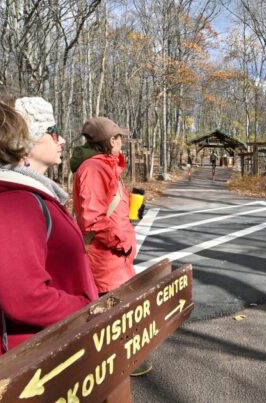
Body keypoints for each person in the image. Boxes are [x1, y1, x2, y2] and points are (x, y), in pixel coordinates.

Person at [0, 97, 99, 368]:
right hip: (27, 360)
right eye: (52, 131)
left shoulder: (24, 196)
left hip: (51, 346)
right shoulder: (9, 205)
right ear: (25, 142)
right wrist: (90, 309)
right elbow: (26, 299)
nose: (62, 140)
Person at [70, 117, 151, 376]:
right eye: (117, 137)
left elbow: (111, 210)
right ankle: (113, 365)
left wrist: (133, 214)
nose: (121, 141)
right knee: (110, 311)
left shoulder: (107, 166)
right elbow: (92, 219)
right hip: (105, 257)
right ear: (108, 141)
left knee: (117, 309)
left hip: (114, 257)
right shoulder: (94, 169)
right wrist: (122, 242)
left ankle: (119, 360)